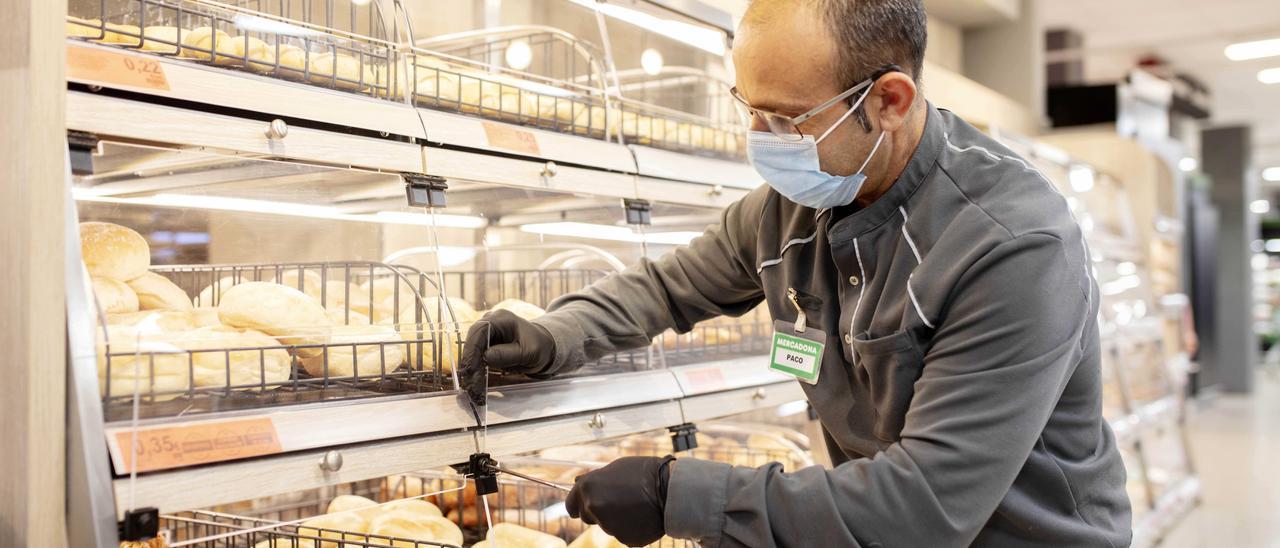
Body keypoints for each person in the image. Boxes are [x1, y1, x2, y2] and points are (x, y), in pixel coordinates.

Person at [460, 0, 1131, 545]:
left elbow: (922, 507)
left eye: (785, 118)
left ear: (890, 101)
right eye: (747, 107)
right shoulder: (793, 210)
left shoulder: (1012, 248)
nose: (759, 138)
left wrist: (675, 493)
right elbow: (668, 287)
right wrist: (554, 337)